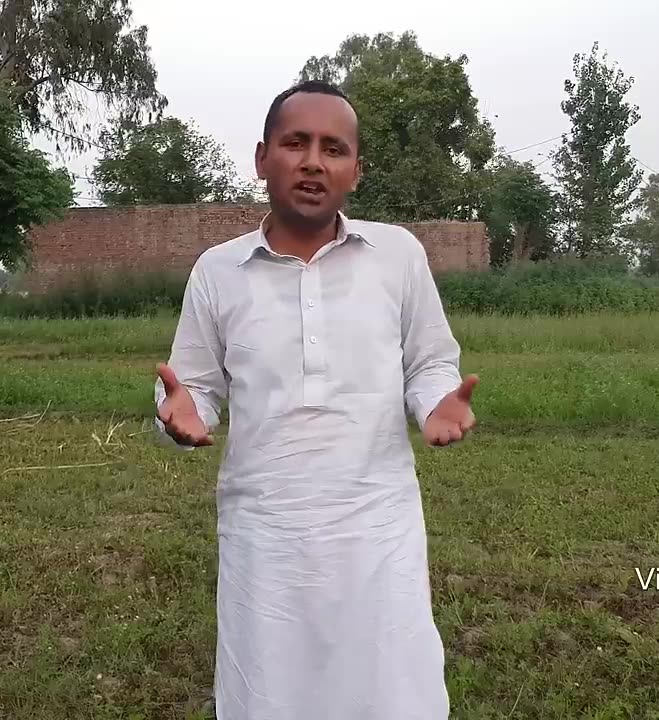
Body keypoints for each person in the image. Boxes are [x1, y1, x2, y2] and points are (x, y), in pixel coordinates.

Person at [153, 79, 477, 720]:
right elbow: (194, 390)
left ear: (355, 169)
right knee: (269, 692)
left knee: (392, 688)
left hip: (377, 524)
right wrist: (181, 418)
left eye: (333, 148)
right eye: (295, 142)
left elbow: (430, 361)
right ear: (262, 158)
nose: (312, 161)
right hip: (265, 531)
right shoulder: (218, 271)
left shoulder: (397, 257)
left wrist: (436, 400)